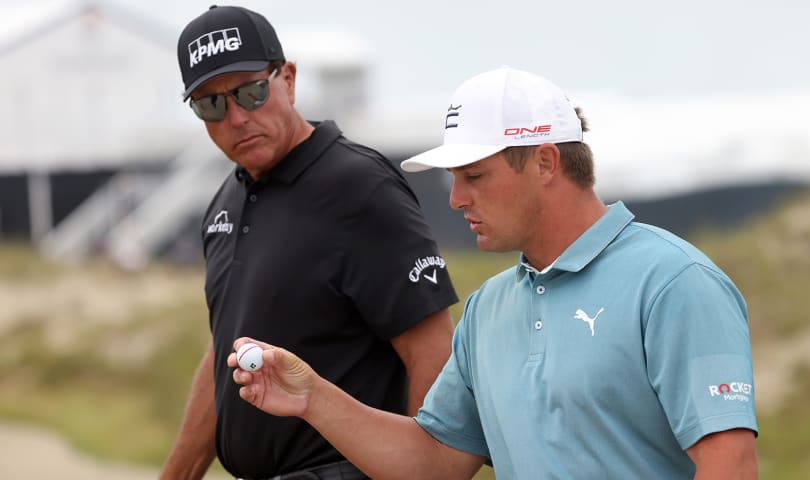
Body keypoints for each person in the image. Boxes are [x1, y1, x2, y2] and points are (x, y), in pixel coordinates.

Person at [228, 66, 760, 479]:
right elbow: (434, 462)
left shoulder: (673, 282)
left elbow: (729, 464)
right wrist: (314, 399)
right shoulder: (488, 308)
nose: (457, 199)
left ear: (546, 162)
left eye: (475, 175)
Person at [160, 6, 458, 480]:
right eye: (211, 104)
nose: (236, 117)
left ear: (289, 79)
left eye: (251, 92)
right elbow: (225, 354)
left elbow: (431, 352)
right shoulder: (225, 202)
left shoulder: (360, 188)